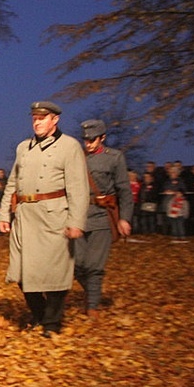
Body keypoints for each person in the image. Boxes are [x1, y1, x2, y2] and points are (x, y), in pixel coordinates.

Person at [0, 101, 89, 338]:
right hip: (24, 217)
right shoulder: (23, 147)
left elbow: (79, 187)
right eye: (34, 118)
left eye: (43, 117)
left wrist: (76, 221)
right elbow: (12, 181)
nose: (37, 122)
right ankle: (39, 315)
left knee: (56, 273)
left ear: (55, 119)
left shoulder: (69, 146)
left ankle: (51, 323)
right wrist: (3, 212)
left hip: (54, 216)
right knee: (21, 271)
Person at [73, 119, 133, 318]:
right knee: (77, 262)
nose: (88, 143)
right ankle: (92, 292)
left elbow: (124, 190)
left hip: (102, 216)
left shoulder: (114, 158)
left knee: (95, 265)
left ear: (103, 138)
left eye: (92, 139)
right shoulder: (76, 157)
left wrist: (124, 218)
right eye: (85, 139)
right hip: (78, 216)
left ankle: (92, 306)